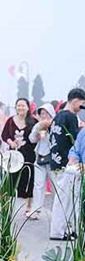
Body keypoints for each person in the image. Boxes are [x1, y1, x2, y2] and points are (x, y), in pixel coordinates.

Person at [49, 88, 85, 241]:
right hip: (68, 165)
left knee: (64, 200)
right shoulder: (71, 118)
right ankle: (59, 231)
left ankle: (63, 229)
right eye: (82, 104)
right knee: (66, 201)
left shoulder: (58, 116)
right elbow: (75, 143)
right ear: (75, 101)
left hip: (57, 163)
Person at [1, 98, 37, 217]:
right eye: (18, 106)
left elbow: (40, 134)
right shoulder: (10, 121)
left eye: (23, 106)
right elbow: (4, 135)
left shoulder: (33, 121)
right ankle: (6, 205)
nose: (20, 108)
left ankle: (29, 206)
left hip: (29, 155)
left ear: (28, 107)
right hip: (14, 155)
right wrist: (10, 142)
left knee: (28, 179)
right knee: (10, 179)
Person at [30, 104, 56, 216]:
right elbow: (32, 139)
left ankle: (57, 210)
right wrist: (38, 129)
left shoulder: (56, 124)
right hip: (40, 157)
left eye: (46, 113)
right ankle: (36, 210)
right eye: (41, 113)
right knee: (38, 185)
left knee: (55, 185)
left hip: (53, 159)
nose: (44, 116)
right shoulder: (38, 125)